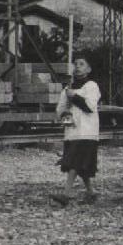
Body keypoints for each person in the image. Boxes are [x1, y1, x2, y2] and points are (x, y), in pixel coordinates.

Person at [50, 55, 101, 206]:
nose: (78, 66)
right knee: (81, 164)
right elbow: (60, 108)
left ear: (88, 69)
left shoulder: (92, 86)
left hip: (87, 130)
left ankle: (66, 194)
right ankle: (91, 192)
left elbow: (90, 107)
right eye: (76, 64)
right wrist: (64, 112)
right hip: (72, 130)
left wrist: (75, 97)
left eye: (82, 64)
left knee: (75, 161)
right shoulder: (68, 88)